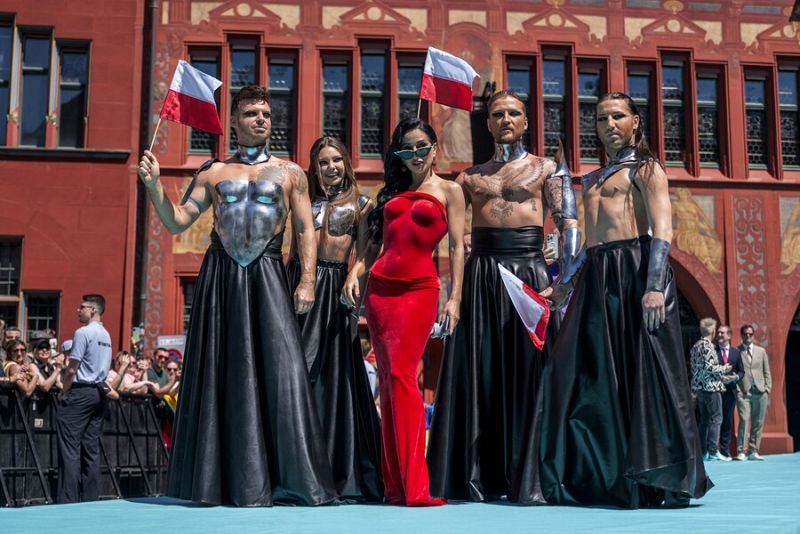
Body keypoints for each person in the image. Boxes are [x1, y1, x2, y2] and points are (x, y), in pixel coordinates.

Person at [138, 85, 336, 506]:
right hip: (222, 278)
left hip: (268, 272)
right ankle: (222, 483)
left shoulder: (291, 173)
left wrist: (307, 281)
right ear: (235, 121)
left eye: (266, 113)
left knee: (283, 371)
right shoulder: (213, 173)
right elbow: (177, 222)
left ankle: (290, 479)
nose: (261, 119)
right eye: (251, 113)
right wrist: (155, 186)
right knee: (221, 371)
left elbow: (304, 229)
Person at [537, 92, 711, 508]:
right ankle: (605, 474)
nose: (608, 124)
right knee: (588, 374)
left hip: (635, 272)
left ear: (636, 122)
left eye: (617, 116)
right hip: (598, 275)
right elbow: (590, 244)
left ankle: (661, 477)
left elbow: (663, 229)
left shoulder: (648, 170)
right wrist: (566, 282)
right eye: (600, 119)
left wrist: (653, 286)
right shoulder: (592, 179)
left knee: (647, 375)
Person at [427, 90, 579, 504]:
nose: (506, 119)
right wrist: (448, 293)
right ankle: (478, 475)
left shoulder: (549, 169)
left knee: (533, 371)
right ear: (488, 123)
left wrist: (564, 277)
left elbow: (570, 224)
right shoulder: (470, 178)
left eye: (514, 113)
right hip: (481, 276)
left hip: (530, 274)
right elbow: (448, 239)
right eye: (498, 114)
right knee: (481, 371)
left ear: (526, 121)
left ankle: (532, 475)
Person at [342, 118, 465, 506]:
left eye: (421, 147)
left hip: (419, 291)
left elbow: (458, 248)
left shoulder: (450, 191)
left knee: (402, 377)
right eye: (406, 149)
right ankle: (393, 487)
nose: (415, 155)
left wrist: (455, 297)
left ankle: (416, 488)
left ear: (434, 149)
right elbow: (372, 247)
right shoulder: (390, 193)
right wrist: (356, 273)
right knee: (388, 387)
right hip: (380, 293)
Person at [286, 135, 382, 502]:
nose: (331, 167)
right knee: (298, 372)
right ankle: (297, 465)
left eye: (337, 160)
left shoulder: (362, 203)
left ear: (346, 163)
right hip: (298, 282)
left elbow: (368, 248)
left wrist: (355, 273)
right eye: (323, 161)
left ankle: (336, 469)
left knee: (334, 376)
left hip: (335, 286)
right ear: (315, 167)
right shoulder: (302, 201)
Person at [56, 294, 113, 503]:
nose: (78, 310)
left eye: (82, 307)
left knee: (69, 446)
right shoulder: (106, 335)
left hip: (81, 391)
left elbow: (72, 368)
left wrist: (64, 390)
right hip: (99, 392)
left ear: (93, 310)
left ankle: (67, 499)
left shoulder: (83, 332)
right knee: (91, 448)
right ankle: (90, 498)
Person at [690, 317, 732, 462]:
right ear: (713, 331)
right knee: (716, 418)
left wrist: (720, 377)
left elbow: (698, 368)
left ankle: (703, 452)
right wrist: (724, 369)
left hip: (700, 388)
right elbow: (710, 368)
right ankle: (713, 451)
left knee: (705, 420)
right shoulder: (707, 346)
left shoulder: (695, 346)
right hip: (710, 388)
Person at [735, 324, 772, 461]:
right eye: (745, 334)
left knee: (758, 422)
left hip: (760, 391)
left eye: (750, 334)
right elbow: (734, 372)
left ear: (753, 335)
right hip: (743, 392)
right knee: (744, 420)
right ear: (742, 335)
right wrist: (737, 389)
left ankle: (753, 451)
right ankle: (741, 451)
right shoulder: (736, 351)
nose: (748, 336)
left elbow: (766, 371)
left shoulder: (761, 351)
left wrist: (767, 388)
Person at [716, 324, 744, 458]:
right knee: (715, 420)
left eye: (722, 333)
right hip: (715, 391)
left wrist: (735, 377)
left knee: (727, 421)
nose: (719, 335)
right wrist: (719, 377)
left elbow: (742, 371)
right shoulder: (712, 351)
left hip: (731, 391)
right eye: (718, 333)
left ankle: (724, 450)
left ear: (729, 335)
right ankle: (713, 450)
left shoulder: (736, 352)